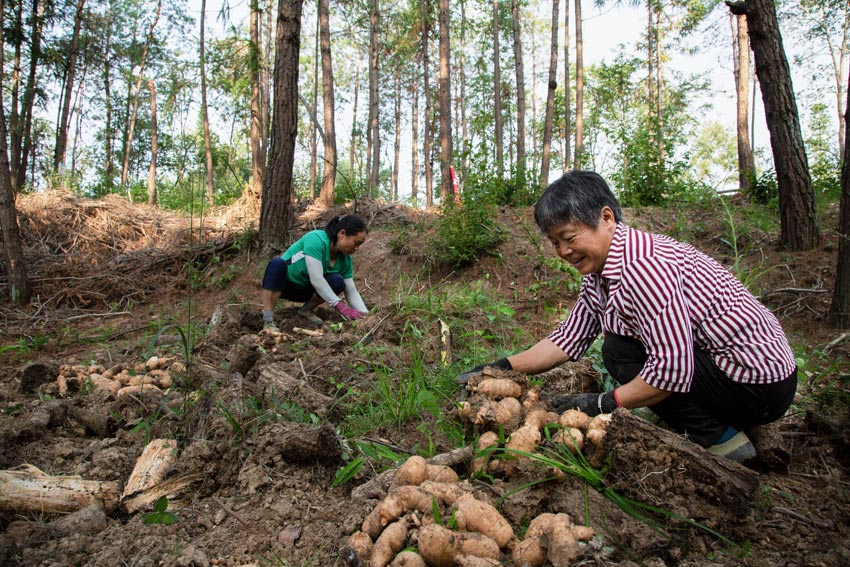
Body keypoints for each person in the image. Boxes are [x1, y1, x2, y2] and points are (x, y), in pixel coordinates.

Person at [458, 171, 797, 462]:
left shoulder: (644, 266)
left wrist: (602, 402)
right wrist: (499, 367)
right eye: (555, 243)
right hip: (730, 374)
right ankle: (718, 422)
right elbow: (567, 339)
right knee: (621, 348)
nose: (563, 252)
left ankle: (721, 439)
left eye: (570, 238)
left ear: (606, 218)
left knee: (620, 352)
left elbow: (672, 369)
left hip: (759, 384)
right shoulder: (600, 274)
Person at [261, 214, 369, 332]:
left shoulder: (345, 259)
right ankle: (268, 320)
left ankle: (305, 310)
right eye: (356, 243)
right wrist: (341, 306)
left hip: (306, 291)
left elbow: (351, 291)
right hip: (284, 286)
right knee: (277, 264)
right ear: (342, 233)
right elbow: (317, 279)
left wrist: (367, 318)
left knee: (337, 281)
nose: (357, 248)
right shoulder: (316, 239)